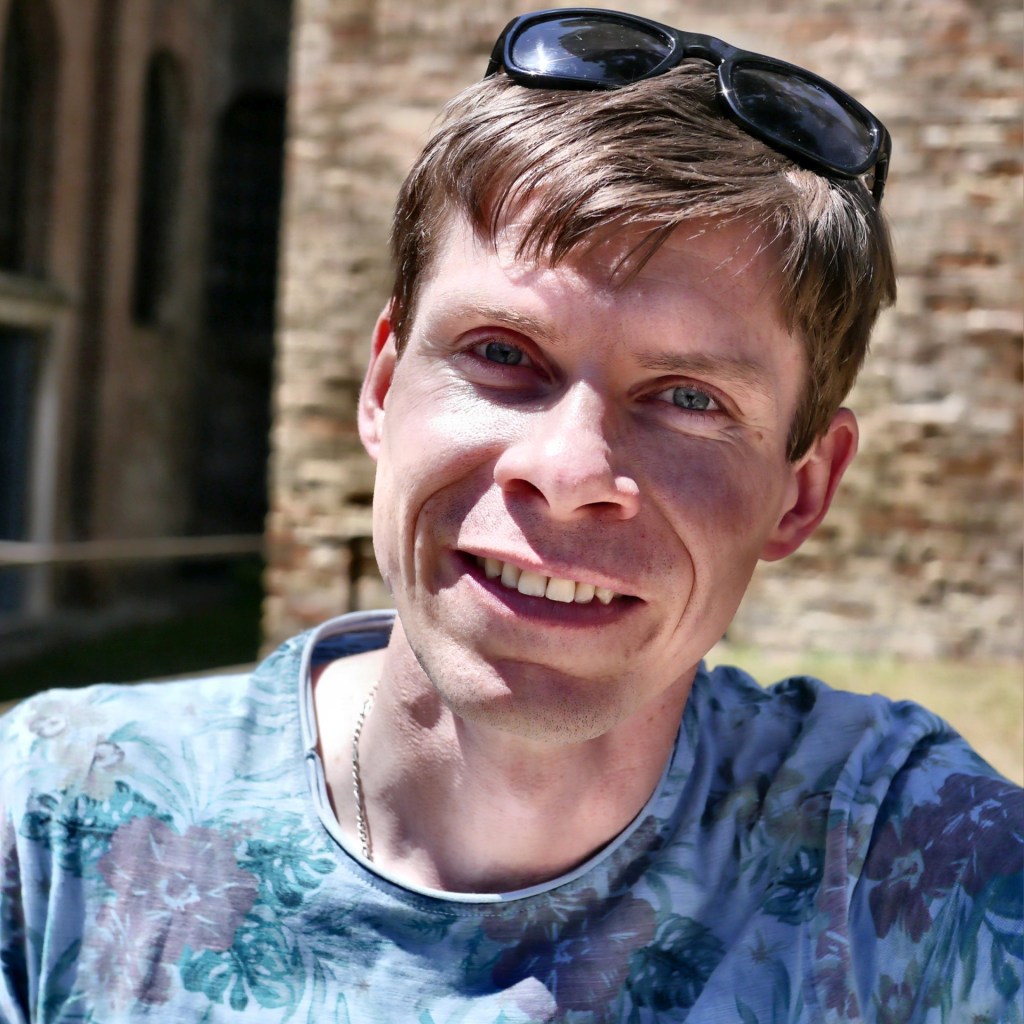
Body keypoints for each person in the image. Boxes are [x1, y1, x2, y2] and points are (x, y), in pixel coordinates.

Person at [1, 9, 1021, 1023]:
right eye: (500, 353)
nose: (567, 470)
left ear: (802, 491)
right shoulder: (55, 830)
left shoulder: (914, 875)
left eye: (689, 398)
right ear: (382, 388)